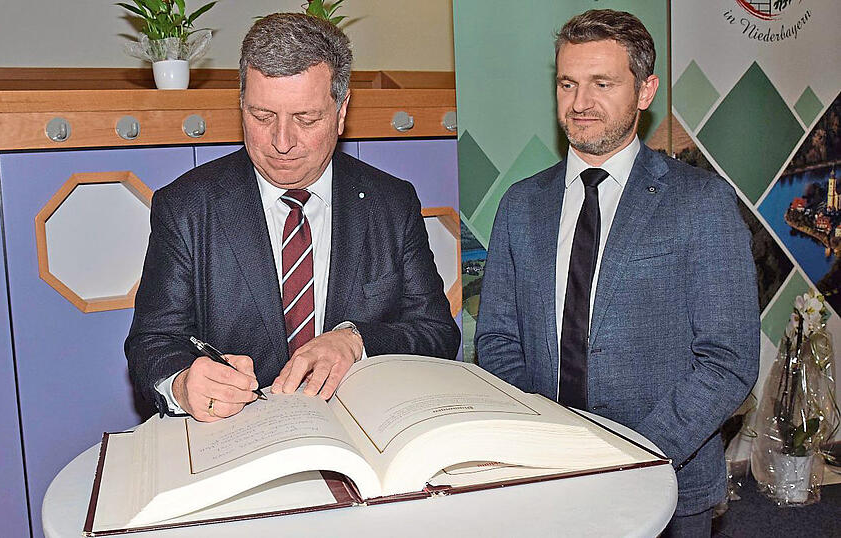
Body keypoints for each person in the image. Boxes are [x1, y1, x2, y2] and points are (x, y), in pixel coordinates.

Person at [474, 9, 758, 536]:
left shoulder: (701, 203)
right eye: (567, 84)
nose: (580, 104)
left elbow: (728, 360)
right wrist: (541, 438)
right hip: (547, 479)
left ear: (645, 91)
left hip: (668, 481)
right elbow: (497, 340)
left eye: (602, 83)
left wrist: (636, 452)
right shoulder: (521, 205)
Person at [125, 13, 459, 424]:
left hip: (367, 431)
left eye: (306, 119)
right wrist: (181, 384)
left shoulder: (391, 202)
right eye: (262, 117)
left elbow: (437, 333)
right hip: (235, 437)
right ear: (241, 104)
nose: (282, 143)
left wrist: (356, 341)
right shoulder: (187, 206)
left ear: (341, 111)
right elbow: (152, 343)